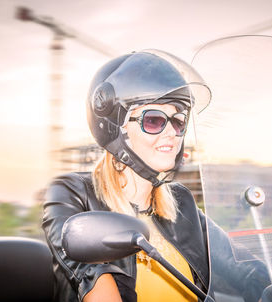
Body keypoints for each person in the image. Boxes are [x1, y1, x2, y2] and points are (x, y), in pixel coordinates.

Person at [42, 49, 213, 302]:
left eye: (178, 121)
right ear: (115, 127)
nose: (172, 133)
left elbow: (235, 261)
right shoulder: (74, 193)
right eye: (154, 120)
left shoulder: (181, 202)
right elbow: (89, 272)